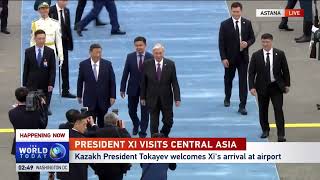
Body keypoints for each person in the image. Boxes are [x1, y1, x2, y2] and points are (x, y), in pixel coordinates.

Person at [248, 33, 290, 142]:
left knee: (278, 110)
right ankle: (265, 130)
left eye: (267, 42)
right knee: (263, 110)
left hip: (276, 87)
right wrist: (251, 87)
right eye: (263, 42)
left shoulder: (280, 54)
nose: (265, 44)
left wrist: (287, 85)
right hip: (262, 87)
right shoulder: (256, 55)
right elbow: (251, 73)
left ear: (271, 42)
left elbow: (285, 70)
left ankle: (281, 134)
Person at [218, 2, 255, 115]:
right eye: (234, 12)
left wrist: (247, 43)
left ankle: (242, 105)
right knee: (228, 79)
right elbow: (221, 43)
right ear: (231, 11)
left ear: (241, 11)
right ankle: (227, 97)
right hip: (230, 59)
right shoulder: (224, 24)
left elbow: (252, 38)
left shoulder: (247, 23)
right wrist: (223, 58)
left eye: (237, 12)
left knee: (243, 82)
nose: (235, 14)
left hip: (243, 58)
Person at [140, 43, 181, 137]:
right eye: (156, 53)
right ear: (153, 53)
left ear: (163, 53)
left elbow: (174, 82)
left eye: (160, 53)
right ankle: (154, 142)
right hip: (151, 98)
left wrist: (177, 98)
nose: (158, 55)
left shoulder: (170, 64)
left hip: (166, 98)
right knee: (154, 123)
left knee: (169, 121)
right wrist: (142, 97)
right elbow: (143, 82)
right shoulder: (147, 64)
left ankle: (163, 135)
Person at [9, 87, 47, 180]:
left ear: (17, 98)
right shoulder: (36, 112)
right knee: (35, 175)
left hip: (20, 147)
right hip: (34, 146)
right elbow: (43, 125)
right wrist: (43, 107)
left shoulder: (12, 113)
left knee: (23, 175)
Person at [77, 43, 116, 128]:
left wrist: (113, 96)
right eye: (96, 52)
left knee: (103, 123)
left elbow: (112, 82)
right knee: (90, 123)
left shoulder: (107, 64)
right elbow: (80, 81)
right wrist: (79, 95)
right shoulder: (83, 65)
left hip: (104, 99)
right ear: (90, 53)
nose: (98, 55)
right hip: (89, 99)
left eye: (100, 52)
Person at [120, 36, 153, 137]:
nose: (138, 47)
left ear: (145, 45)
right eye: (136, 45)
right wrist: (122, 88)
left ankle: (142, 132)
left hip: (146, 90)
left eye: (140, 45)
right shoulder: (130, 57)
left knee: (145, 112)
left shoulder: (151, 57)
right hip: (132, 88)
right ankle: (136, 123)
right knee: (131, 110)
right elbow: (126, 73)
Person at [23, 29, 56, 114]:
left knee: (44, 106)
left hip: (45, 82)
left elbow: (52, 69)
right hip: (31, 82)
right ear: (35, 39)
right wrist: (24, 84)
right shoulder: (28, 51)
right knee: (31, 107)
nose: (41, 40)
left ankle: (46, 108)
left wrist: (51, 83)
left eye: (43, 38)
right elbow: (26, 68)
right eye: (39, 38)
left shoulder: (50, 52)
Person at [56, 111, 94, 180]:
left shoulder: (61, 134)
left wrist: (51, 172)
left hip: (64, 174)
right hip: (79, 174)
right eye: (84, 125)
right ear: (76, 123)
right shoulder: (83, 139)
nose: (85, 128)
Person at [49, 0, 76, 98]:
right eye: (63, 0)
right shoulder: (50, 10)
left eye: (66, 0)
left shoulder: (67, 11)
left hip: (63, 42)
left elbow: (68, 28)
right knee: (50, 67)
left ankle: (65, 90)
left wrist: (70, 43)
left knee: (65, 66)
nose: (65, 2)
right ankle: (47, 90)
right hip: (52, 42)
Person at [92, 112, 131, 180]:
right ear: (116, 122)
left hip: (102, 168)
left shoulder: (98, 132)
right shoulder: (121, 132)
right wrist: (123, 128)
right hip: (118, 168)